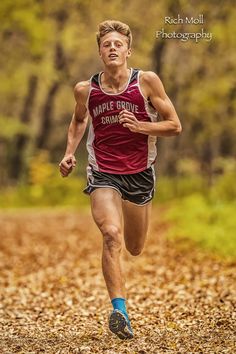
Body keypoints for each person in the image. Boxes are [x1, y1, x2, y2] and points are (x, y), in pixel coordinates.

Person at [59, 20, 182, 340]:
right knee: (111, 234)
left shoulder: (147, 82)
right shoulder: (86, 89)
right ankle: (119, 311)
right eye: (106, 45)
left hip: (140, 173)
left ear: (129, 50)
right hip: (103, 171)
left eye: (118, 44)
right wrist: (69, 152)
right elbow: (78, 120)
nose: (112, 48)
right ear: (100, 52)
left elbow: (174, 126)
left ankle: (121, 303)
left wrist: (141, 127)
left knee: (135, 247)